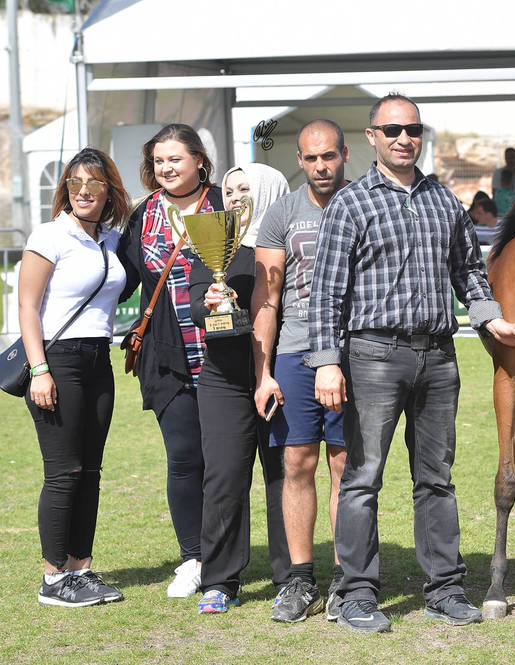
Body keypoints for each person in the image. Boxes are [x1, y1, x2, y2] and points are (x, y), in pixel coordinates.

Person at [306, 93, 515, 633]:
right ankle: (357, 595)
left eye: (411, 128)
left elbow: (469, 272)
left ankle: (444, 588)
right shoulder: (350, 204)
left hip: (438, 355)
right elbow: (325, 293)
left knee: (436, 480)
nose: (402, 137)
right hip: (371, 356)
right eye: (390, 129)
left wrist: (492, 319)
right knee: (363, 479)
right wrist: (326, 362)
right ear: (371, 137)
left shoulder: (443, 199)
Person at [19, 148, 130, 606]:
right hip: (57, 361)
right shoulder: (50, 235)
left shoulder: (110, 239)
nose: (84, 191)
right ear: (65, 190)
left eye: (95, 183)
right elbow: (27, 306)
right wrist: (40, 370)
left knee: (90, 473)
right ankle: (52, 580)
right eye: (75, 184)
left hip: (98, 359)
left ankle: (80, 571)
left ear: (109, 191)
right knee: (64, 473)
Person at [251, 119, 351, 623]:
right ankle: (299, 578)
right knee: (296, 464)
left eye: (328, 156)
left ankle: (345, 580)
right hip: (293, 354)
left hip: (354, 353)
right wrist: (263, 371)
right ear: (299, 159)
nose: (320, 166)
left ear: (345, 154)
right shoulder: (281, 213)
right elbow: (266, 298)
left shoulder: (365, 202)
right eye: (311, 158)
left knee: (344, 467)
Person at [117, 123, 222, 598]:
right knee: (183, 460)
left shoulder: (224, 206)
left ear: (199, 160)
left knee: (224, 463)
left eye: (175, 159)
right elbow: (119, 279)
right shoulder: (143, 217)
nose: (166, 168)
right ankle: (192, 558)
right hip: (166, 357)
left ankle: (224, 555)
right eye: (159, 161)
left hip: (223, 353)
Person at [190, 162, 291, 614]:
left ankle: (291, 575)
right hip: (223, 380)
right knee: (224, 479)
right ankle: (220, 580)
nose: (233, 197)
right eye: (228, 190)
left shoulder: (290, 244)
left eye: (245, 188)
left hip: (279, 374)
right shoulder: (214, 244)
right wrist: (212, 303)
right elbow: (197, 310)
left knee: (283, 476)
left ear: (270, 191)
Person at [223, 163, 289, 248]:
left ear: (269, 193)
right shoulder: (221, 249)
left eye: (243, 189)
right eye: (228, 192)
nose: (233, 198)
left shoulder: (294, 244)